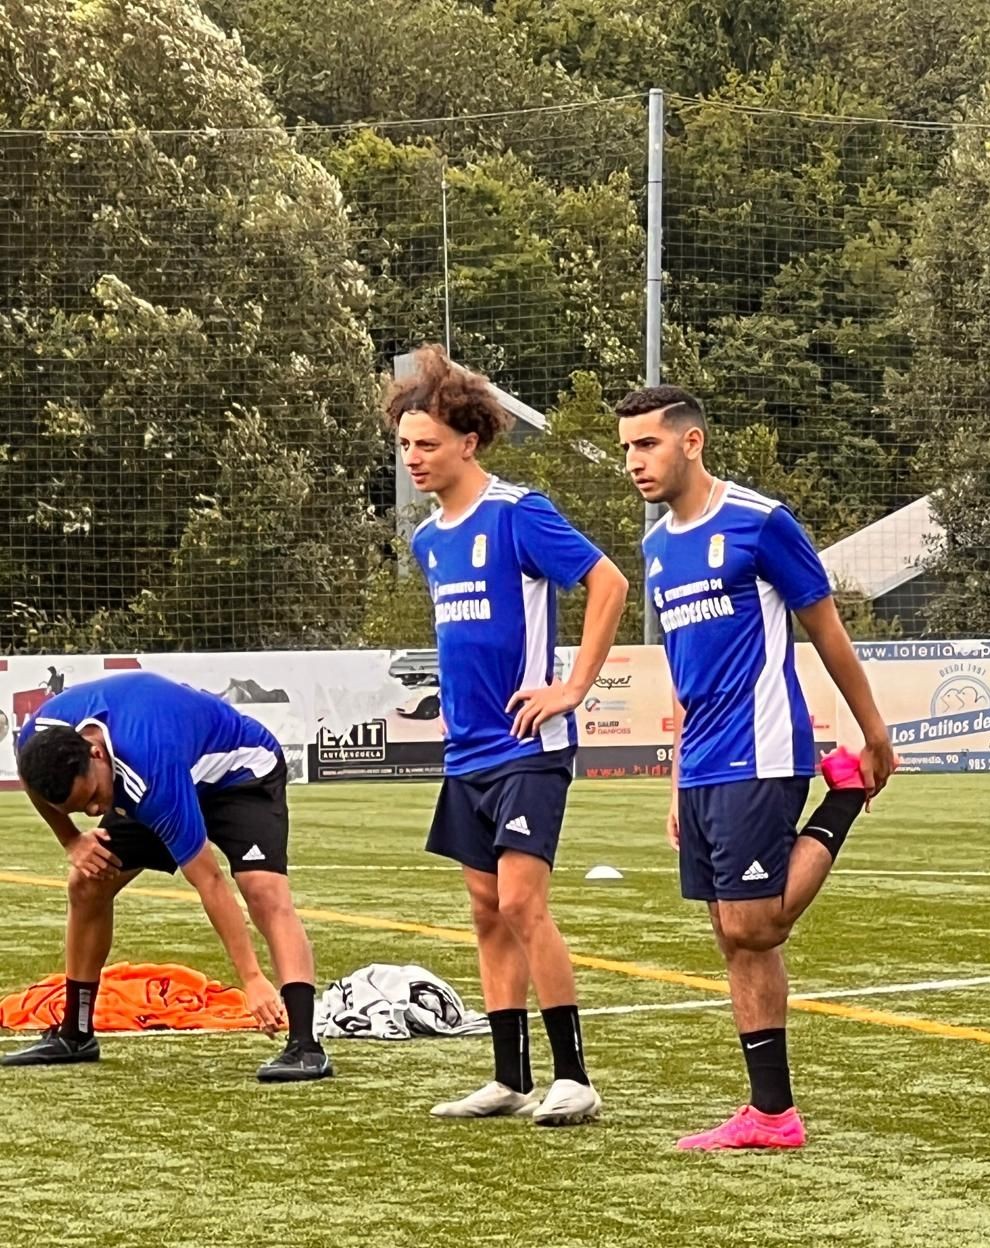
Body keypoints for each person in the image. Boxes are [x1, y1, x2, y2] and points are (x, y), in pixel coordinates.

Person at [617, 383, 896, 1151]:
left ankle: (841, 799)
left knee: (756, 921)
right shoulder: (655, 547)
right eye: (628, 449)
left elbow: (828, 633)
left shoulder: (760, 522)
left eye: (647, 444)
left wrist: (873, 737)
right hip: (704, 758)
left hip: (763, 743)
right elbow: (682, 669)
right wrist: (677, 777)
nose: (635, 462)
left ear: (691, 441)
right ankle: (772, 1114)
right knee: (733, 937)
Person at [384, 344, 628, 1126]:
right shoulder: (428, 541)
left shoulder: (519, 512)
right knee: (486, 911)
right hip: (469, 757)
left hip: (530, 748)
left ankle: (575, 1077)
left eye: (426, 444)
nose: (414, 458)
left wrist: (573, 688)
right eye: (404, 445)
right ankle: (508, 1077)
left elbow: (608, 581)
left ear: (469, 442)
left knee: (524, 904)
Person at [3, 671, 331, 1084]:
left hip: (239, 773)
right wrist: (72, 841)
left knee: (262, 889)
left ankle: (305, 1045)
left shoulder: (150, 770)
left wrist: (251, 978)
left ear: (97, 754)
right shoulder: (40, 741)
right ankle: (76, 1034)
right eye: (78, 809)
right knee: (87, 884)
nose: (92, 813)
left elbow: (209, 881)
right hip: (159, 773)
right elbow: (34, 784)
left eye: (91, 799)